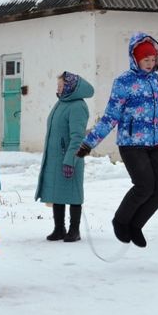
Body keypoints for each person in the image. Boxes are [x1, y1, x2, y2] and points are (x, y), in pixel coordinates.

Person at [76, 32, 158, 248]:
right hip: (131, 143)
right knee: (145, 186)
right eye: (146, 60)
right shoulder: (123, 82)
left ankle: (136, 225)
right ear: (135, 58)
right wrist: (89, 142)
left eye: (153, 60)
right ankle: (121, 221)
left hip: (156, 144)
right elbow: (111, 116)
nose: (150, 64)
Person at [35, 72, 94, 242]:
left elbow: (77, 137)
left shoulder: (77, 106)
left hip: (70, 158)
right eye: (58, 87)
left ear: (70, 87)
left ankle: (74, 230)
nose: (58, 89)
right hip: (56, 158)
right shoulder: (61, 103)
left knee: (73, 194)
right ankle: (59, 229)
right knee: (57, 193)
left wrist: (70, 160)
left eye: (61, 86)